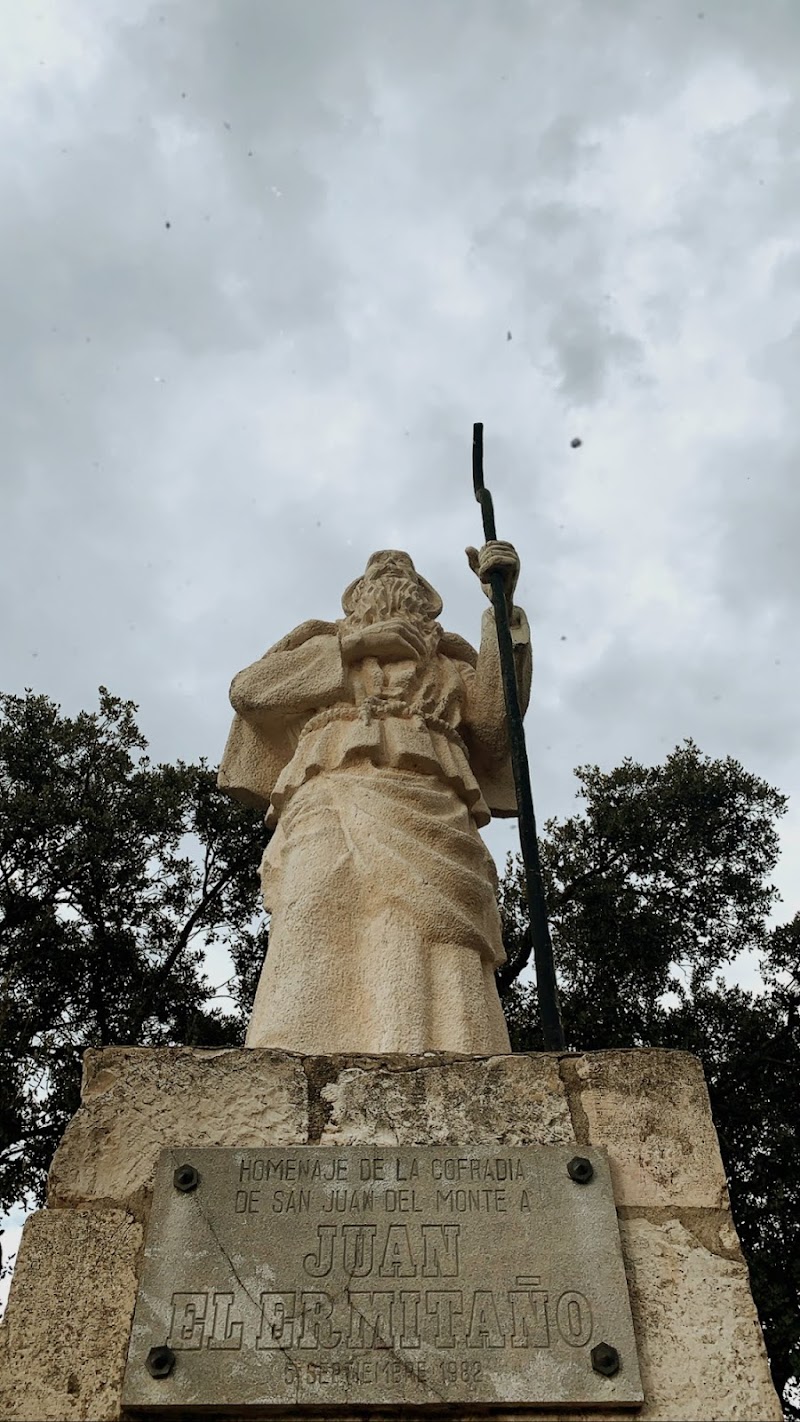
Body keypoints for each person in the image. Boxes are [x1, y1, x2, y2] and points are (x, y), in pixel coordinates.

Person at [218, 540, 531, 1054]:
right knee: (314, 912)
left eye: (406, 572)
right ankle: (294, 1056)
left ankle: (456, 1054)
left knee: (440, 933)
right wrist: (354, 647)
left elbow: (498, 727)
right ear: (356, 596)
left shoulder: (448, 662)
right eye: (378, 571)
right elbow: (250, 691)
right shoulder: (323, 643)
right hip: (332, 791)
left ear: (426, 599)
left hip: (434, 803)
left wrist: (502, 610)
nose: (392, 573)